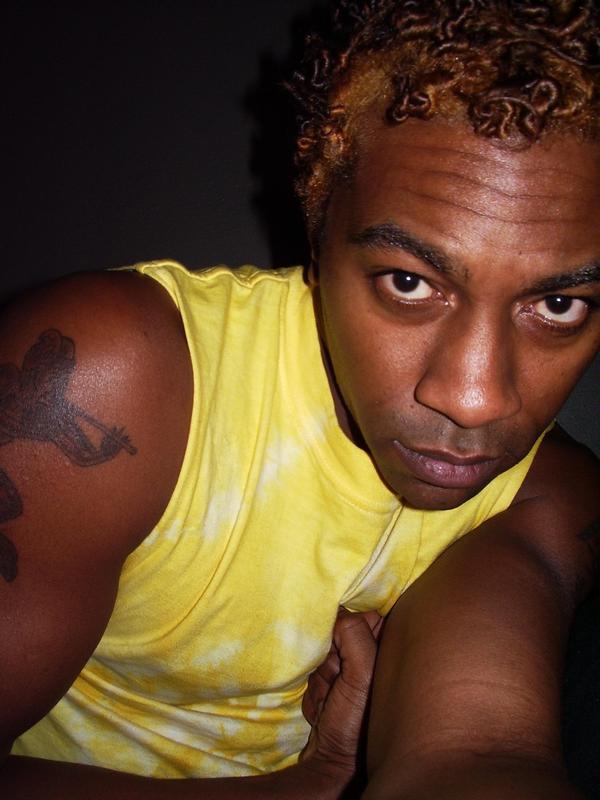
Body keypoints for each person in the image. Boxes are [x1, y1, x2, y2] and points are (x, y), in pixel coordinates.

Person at [2, 0, 599, 797]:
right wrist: (301, 788)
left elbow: (475, 751)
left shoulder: (547, 491)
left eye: (559, 305)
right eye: (409, 282)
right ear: (316, 243)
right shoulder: (109, 387)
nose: (474, 399)